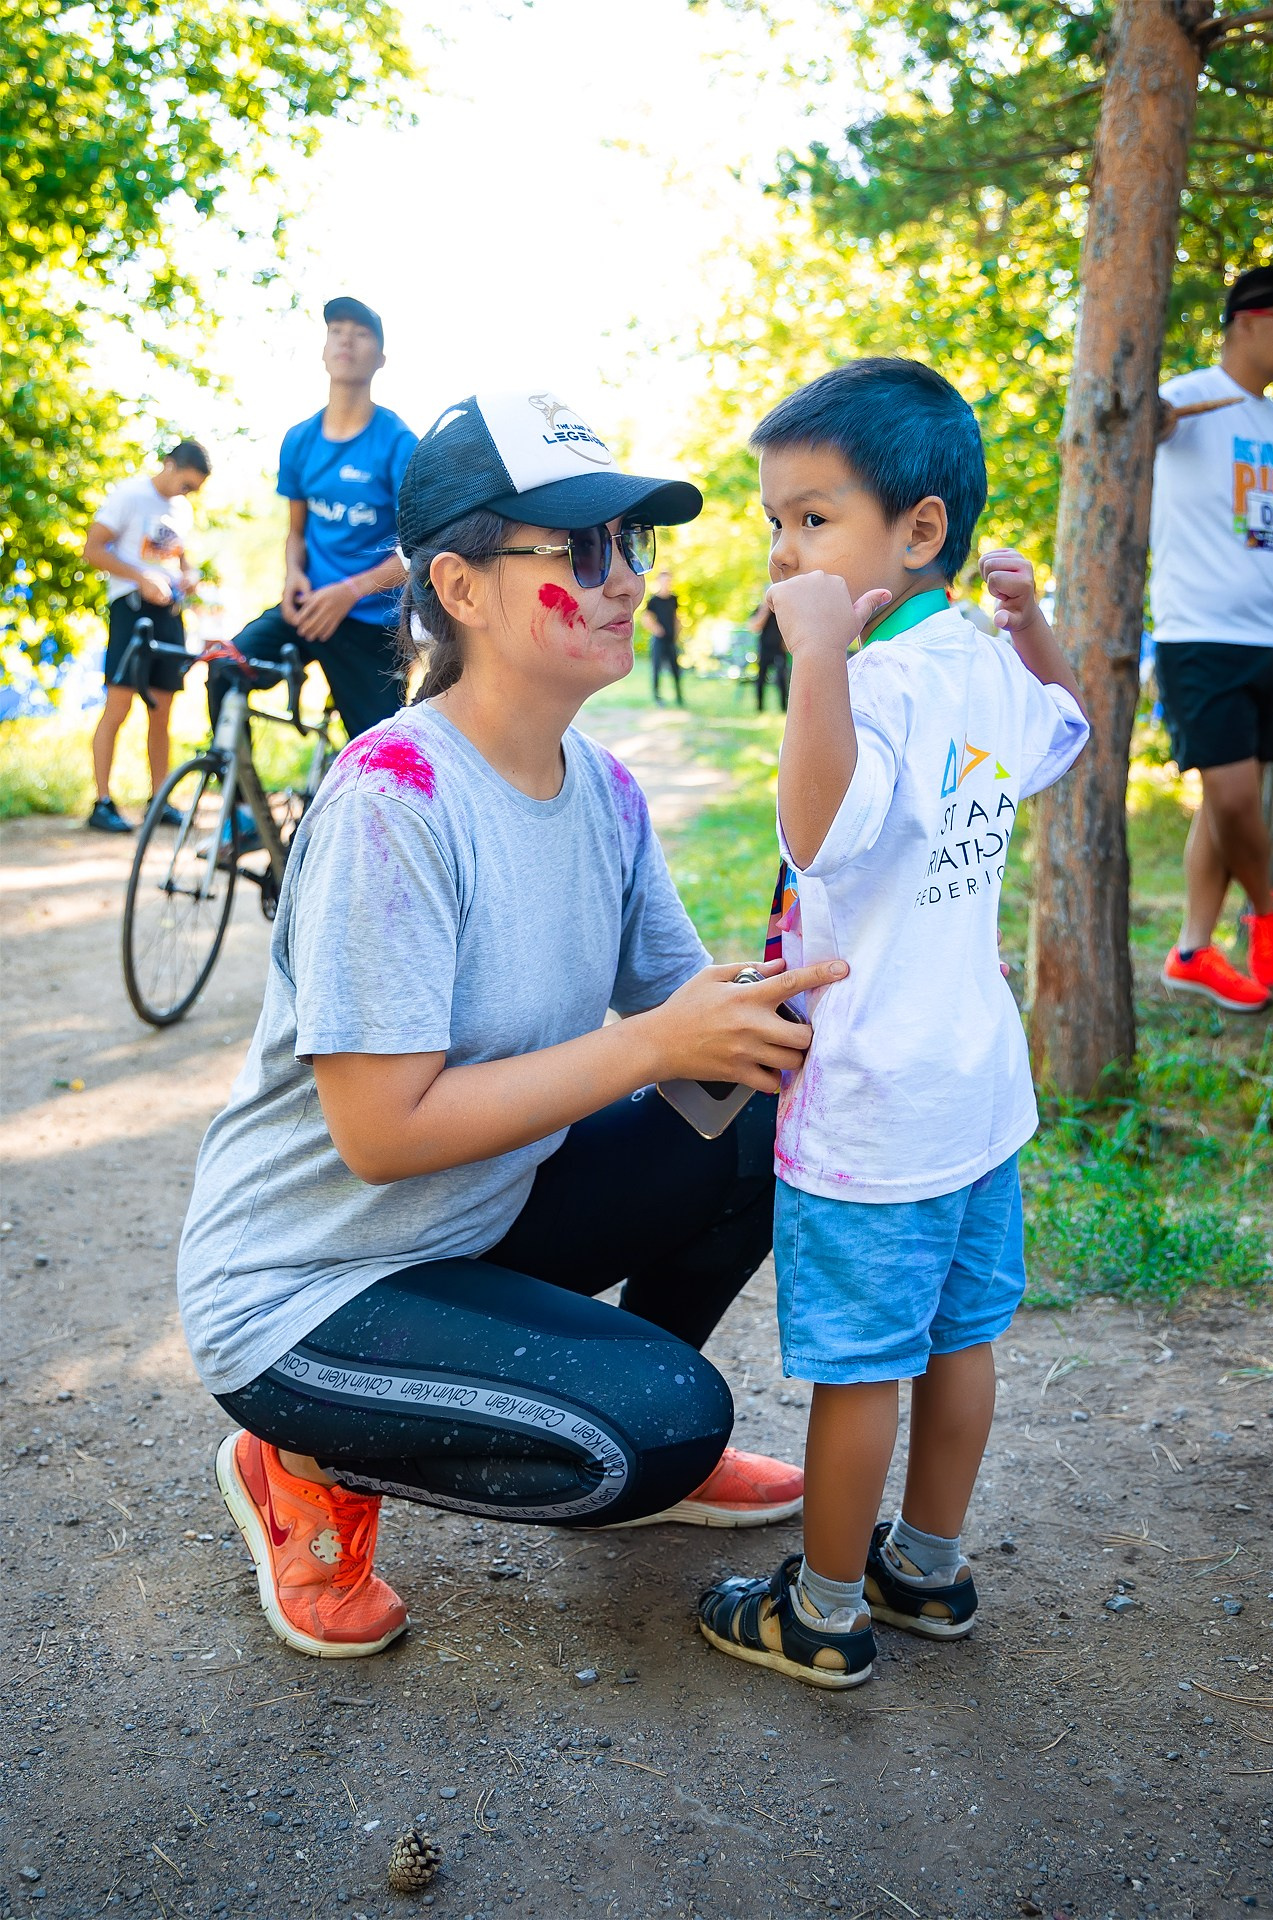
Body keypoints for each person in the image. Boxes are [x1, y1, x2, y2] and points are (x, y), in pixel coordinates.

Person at [178, 386, 841, 1659]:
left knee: (763, 1128)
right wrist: (652, 1047)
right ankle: (302, 1458)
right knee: (659, 1427)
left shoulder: (601, 787)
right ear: (461, 589)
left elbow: (692, 1032)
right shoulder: (397, 799)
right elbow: (378, 1133)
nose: (621, 581)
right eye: (578, 550)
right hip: (308, 1287)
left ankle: (570, 1385)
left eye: (631, 547)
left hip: (476, 1224)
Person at [697, 359, 1089, 1689]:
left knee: (864, 1371)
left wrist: (816, 654)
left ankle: (820, 1608)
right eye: (775, 524)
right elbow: (1069, 723)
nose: (783, 551)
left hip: (874, 1107)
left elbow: (814, 830)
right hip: (978, 1093)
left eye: (814, 520)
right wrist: (1030, 621)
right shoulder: (976, 661)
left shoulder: (868, 683)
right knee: (962, 1342)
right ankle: (925, 1568)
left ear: (917, 530)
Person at [1153, 263, 1273, 1013]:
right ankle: (1268, 914)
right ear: (1254, 321)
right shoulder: (1186, 396)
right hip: (1201, 635)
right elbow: (1143, 423)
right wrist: (1156, 415)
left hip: (1272, 640)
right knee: (1233, 801)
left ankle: (1194, 950)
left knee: (1228, 802)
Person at [206, 297, 416, 745]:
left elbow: (419, 550)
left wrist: (350, 591)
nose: (345, 338)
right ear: (323, 350)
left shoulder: (398, 443)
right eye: (336, 329)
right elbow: (296, 533)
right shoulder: (299, 440)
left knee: (385, 751)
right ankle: (239, 810)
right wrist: (293, 577)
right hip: (306, 611)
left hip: (370, 623)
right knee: (224, 669)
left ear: (380, 358)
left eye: (360, 332)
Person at [83, 440, 211, 832]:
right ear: (170, 466)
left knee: (162, 711)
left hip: (169, 615)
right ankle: (102, 802)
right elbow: (91, 549)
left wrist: (189, 576)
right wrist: (141, 579)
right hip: (132, 612)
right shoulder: (131, 494)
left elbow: (178, 556)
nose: (187, 493)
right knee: (118, 706)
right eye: (187, 484)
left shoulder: (182, 509)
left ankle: (159, 799)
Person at [643, 567, 683, 704]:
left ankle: (679, 697)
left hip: (671, 639)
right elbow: (646, 619)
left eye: (669, 580)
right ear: (659, 581)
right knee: (657, 668)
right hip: (659, 640)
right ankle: (657, 697)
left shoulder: (673, 599)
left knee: (675, 669)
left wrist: (678, 632)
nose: (667, 583)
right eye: (664, 580)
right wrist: (657, 629)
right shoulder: (653, 600)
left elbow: (676, 617)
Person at [749, 600, 789, 711]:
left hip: (779, 650)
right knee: (761, 678)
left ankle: (783, 707)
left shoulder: (782, 609)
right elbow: (754, 626)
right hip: (765, 649)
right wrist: (764, 610)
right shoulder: (761, 608)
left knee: (782, 677)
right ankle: (760, 707)